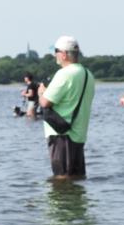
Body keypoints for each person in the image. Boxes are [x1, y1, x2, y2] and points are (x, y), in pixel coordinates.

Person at [37, 36, 95, 179]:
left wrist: (41, 92)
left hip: (62, 135)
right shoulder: (88, 74)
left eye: (56, 51)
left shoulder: (65, 74)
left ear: (63, 54)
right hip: (79, 135)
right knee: (77, 179)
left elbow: (45, 103)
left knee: (62, 179)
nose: (54, 55)